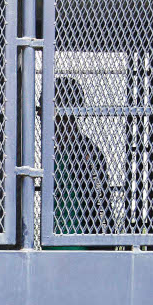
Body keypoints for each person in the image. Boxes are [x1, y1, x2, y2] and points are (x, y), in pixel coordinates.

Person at [50, 77, 113, 235]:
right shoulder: (56, 154)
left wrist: (103, 245)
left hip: (79, 243)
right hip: (58, 242)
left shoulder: (86, 153)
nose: (39, 114)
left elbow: (100, 202)